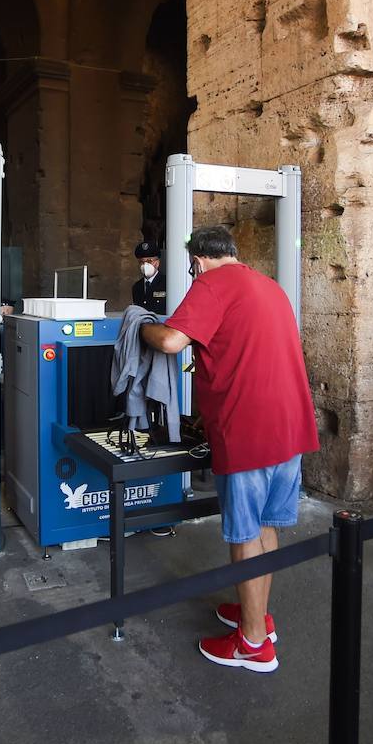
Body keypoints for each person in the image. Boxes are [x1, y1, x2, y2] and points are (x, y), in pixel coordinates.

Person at [140, 225, 318, 672]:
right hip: (289, 424)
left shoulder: (212, 284)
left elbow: (171, 342)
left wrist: (142, 325)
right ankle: (257, 615)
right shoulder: (268, 286)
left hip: (249, 430)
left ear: (197, 261)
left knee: (243, 532)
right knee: (266, 526)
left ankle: (252, 644)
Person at [131, 240, 167, 313]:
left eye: (149, 261)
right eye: (141, 262)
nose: (145, 265)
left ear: (157, 262)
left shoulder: (167, 283)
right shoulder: (137, 287)